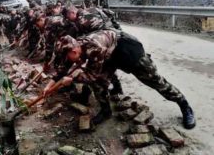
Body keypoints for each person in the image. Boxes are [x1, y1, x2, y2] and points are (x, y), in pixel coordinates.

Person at [43, 29, 196, 129]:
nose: (68, 60)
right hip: (109, 54)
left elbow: (91, 75)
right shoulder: (73, 47)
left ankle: (184, 105)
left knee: (155, 81)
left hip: (127, 50)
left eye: (69, 57)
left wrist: (72, 79)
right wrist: (49, 85)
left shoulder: (93, 48)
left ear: (75, 50)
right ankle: (105, 110)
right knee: (99, 83)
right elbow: (63, 69)